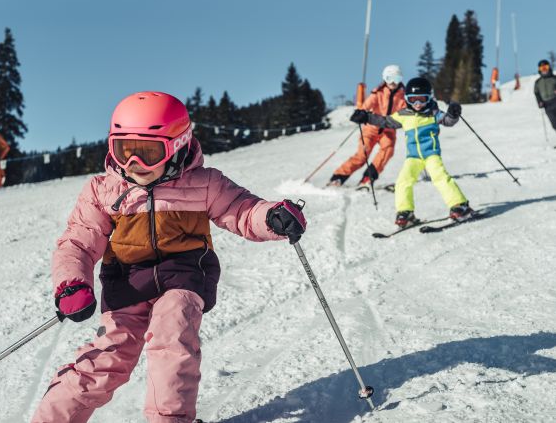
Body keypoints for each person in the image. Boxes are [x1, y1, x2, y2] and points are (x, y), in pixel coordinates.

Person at [31, 92, 307, 423]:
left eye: (147, 153)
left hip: (184, 275)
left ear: (177, 144)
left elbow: (242, 209)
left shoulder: (204, 183)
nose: (133, 165)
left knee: (172, 337)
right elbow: (78, 240)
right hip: (126, 285)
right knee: (104, 361)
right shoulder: (104, 189)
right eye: (124, 150)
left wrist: (271, 216)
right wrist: (71, 283)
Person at [350, 77, 473, 227]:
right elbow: (385, 121)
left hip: (431, 154)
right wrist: (366, 116)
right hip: (413, 157)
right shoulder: (404, 114)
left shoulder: (433, 112)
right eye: (413, 99)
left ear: (429, 98)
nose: (417, 104)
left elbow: (448, 121)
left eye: (422, 99)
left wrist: (453, 114)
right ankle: (405, 212)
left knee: (440, 177)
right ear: (407, 99)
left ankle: (460, 206)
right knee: (403, 182)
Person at [328, 64, 406, 187]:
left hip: (388, 131)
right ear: (384, 79)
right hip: (371, 130)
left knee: (387, 151)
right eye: (389, 78)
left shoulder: (403, 97)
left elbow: (405, 113)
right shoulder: (377, 93)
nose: (393, 82)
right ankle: (338, 177)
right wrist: (360, 113)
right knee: (362, 156)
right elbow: (365, 106)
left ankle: (368, 178)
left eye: (396, 79)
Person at [534, 59, 556, 130]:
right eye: (542, 68)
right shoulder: (538, 82)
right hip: (547, 105)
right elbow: (536, 93)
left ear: (549, 67)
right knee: (554, 124)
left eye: (545, 67)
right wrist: (539, 102)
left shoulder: (554, 78)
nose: (544, 70)